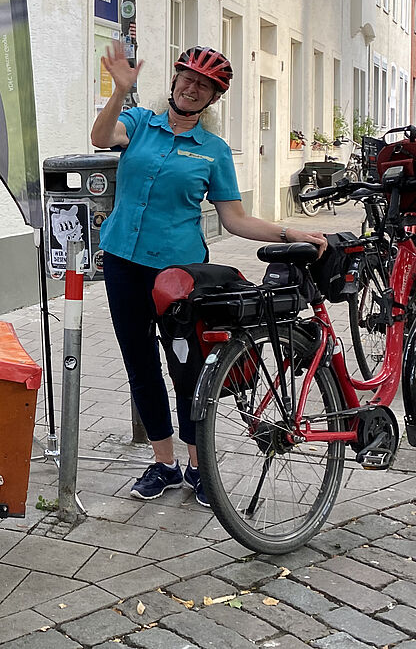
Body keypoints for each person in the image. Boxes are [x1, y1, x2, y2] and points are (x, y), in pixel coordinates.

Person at [90, 41, 326, 507]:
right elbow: (101, 137)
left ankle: (199, 467)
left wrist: (286, 231)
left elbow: (235, 219)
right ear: (174, 81)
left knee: (188, 369)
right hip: (122, 262)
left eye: (206, 86)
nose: (194, 88)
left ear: (214, 98)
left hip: (179, 275)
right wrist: (119, 91)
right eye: (189, 79)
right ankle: (164, 464)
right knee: (140, 365)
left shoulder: (213, 151)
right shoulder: (140, 124)